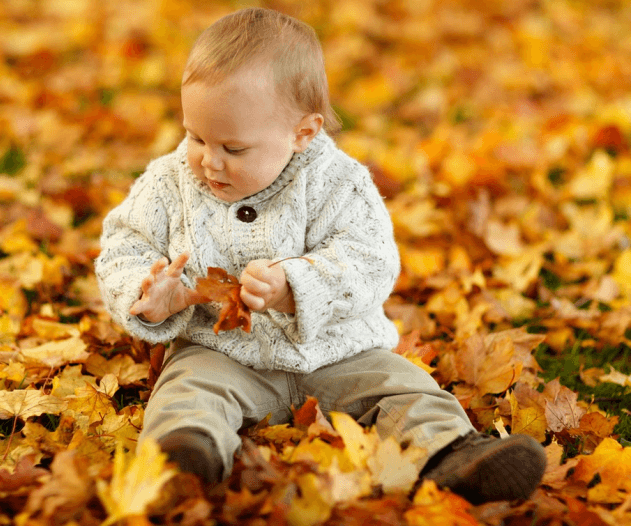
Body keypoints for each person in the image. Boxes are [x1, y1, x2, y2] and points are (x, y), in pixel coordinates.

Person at [94, 7, 546, 504]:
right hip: (220, 352)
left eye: (234, 148)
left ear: (302, 133)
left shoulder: (339, 182)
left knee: (403, 386)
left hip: (338, 350)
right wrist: (145, 292)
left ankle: (453, 454)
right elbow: (124, 243)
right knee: (186, 392)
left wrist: (298, 285)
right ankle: (184, 458)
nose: (208, 160)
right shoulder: (168, 180)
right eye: (195, 136)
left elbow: (371, 260)